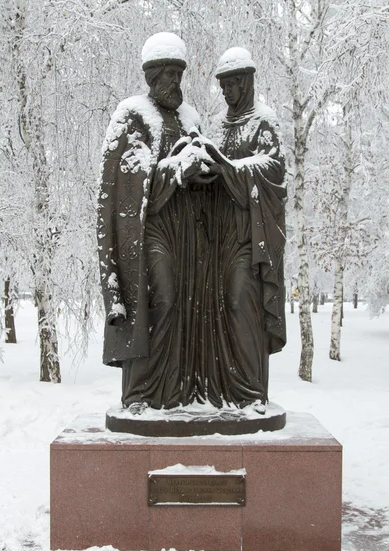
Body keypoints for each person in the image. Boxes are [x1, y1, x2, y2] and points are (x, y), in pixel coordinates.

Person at [97, 33, 212, 411]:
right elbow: (129, 184)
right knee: (162, 297)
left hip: (188, 230)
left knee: (187, 304)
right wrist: (176, 169)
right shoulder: (133, 115)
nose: (176, 84)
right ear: (152, 78)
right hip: (150, 231)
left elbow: (200, 164)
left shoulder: (190, 117)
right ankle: (143, 390)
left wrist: (204, 170)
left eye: (180, 75)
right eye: (169, 76)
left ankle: (177, 389)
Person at [195, 47, 287, 410]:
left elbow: (274, 170)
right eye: (222, 86)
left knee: (239, 302)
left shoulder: (264, 121)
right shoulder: (218, 124)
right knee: (215, 308)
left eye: (231, 84)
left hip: (249, 235)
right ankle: (222, 390)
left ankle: (251, 392)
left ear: (246, 82)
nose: (226, 92)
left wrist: (229, 168)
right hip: (217, 234)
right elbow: (213, 165)